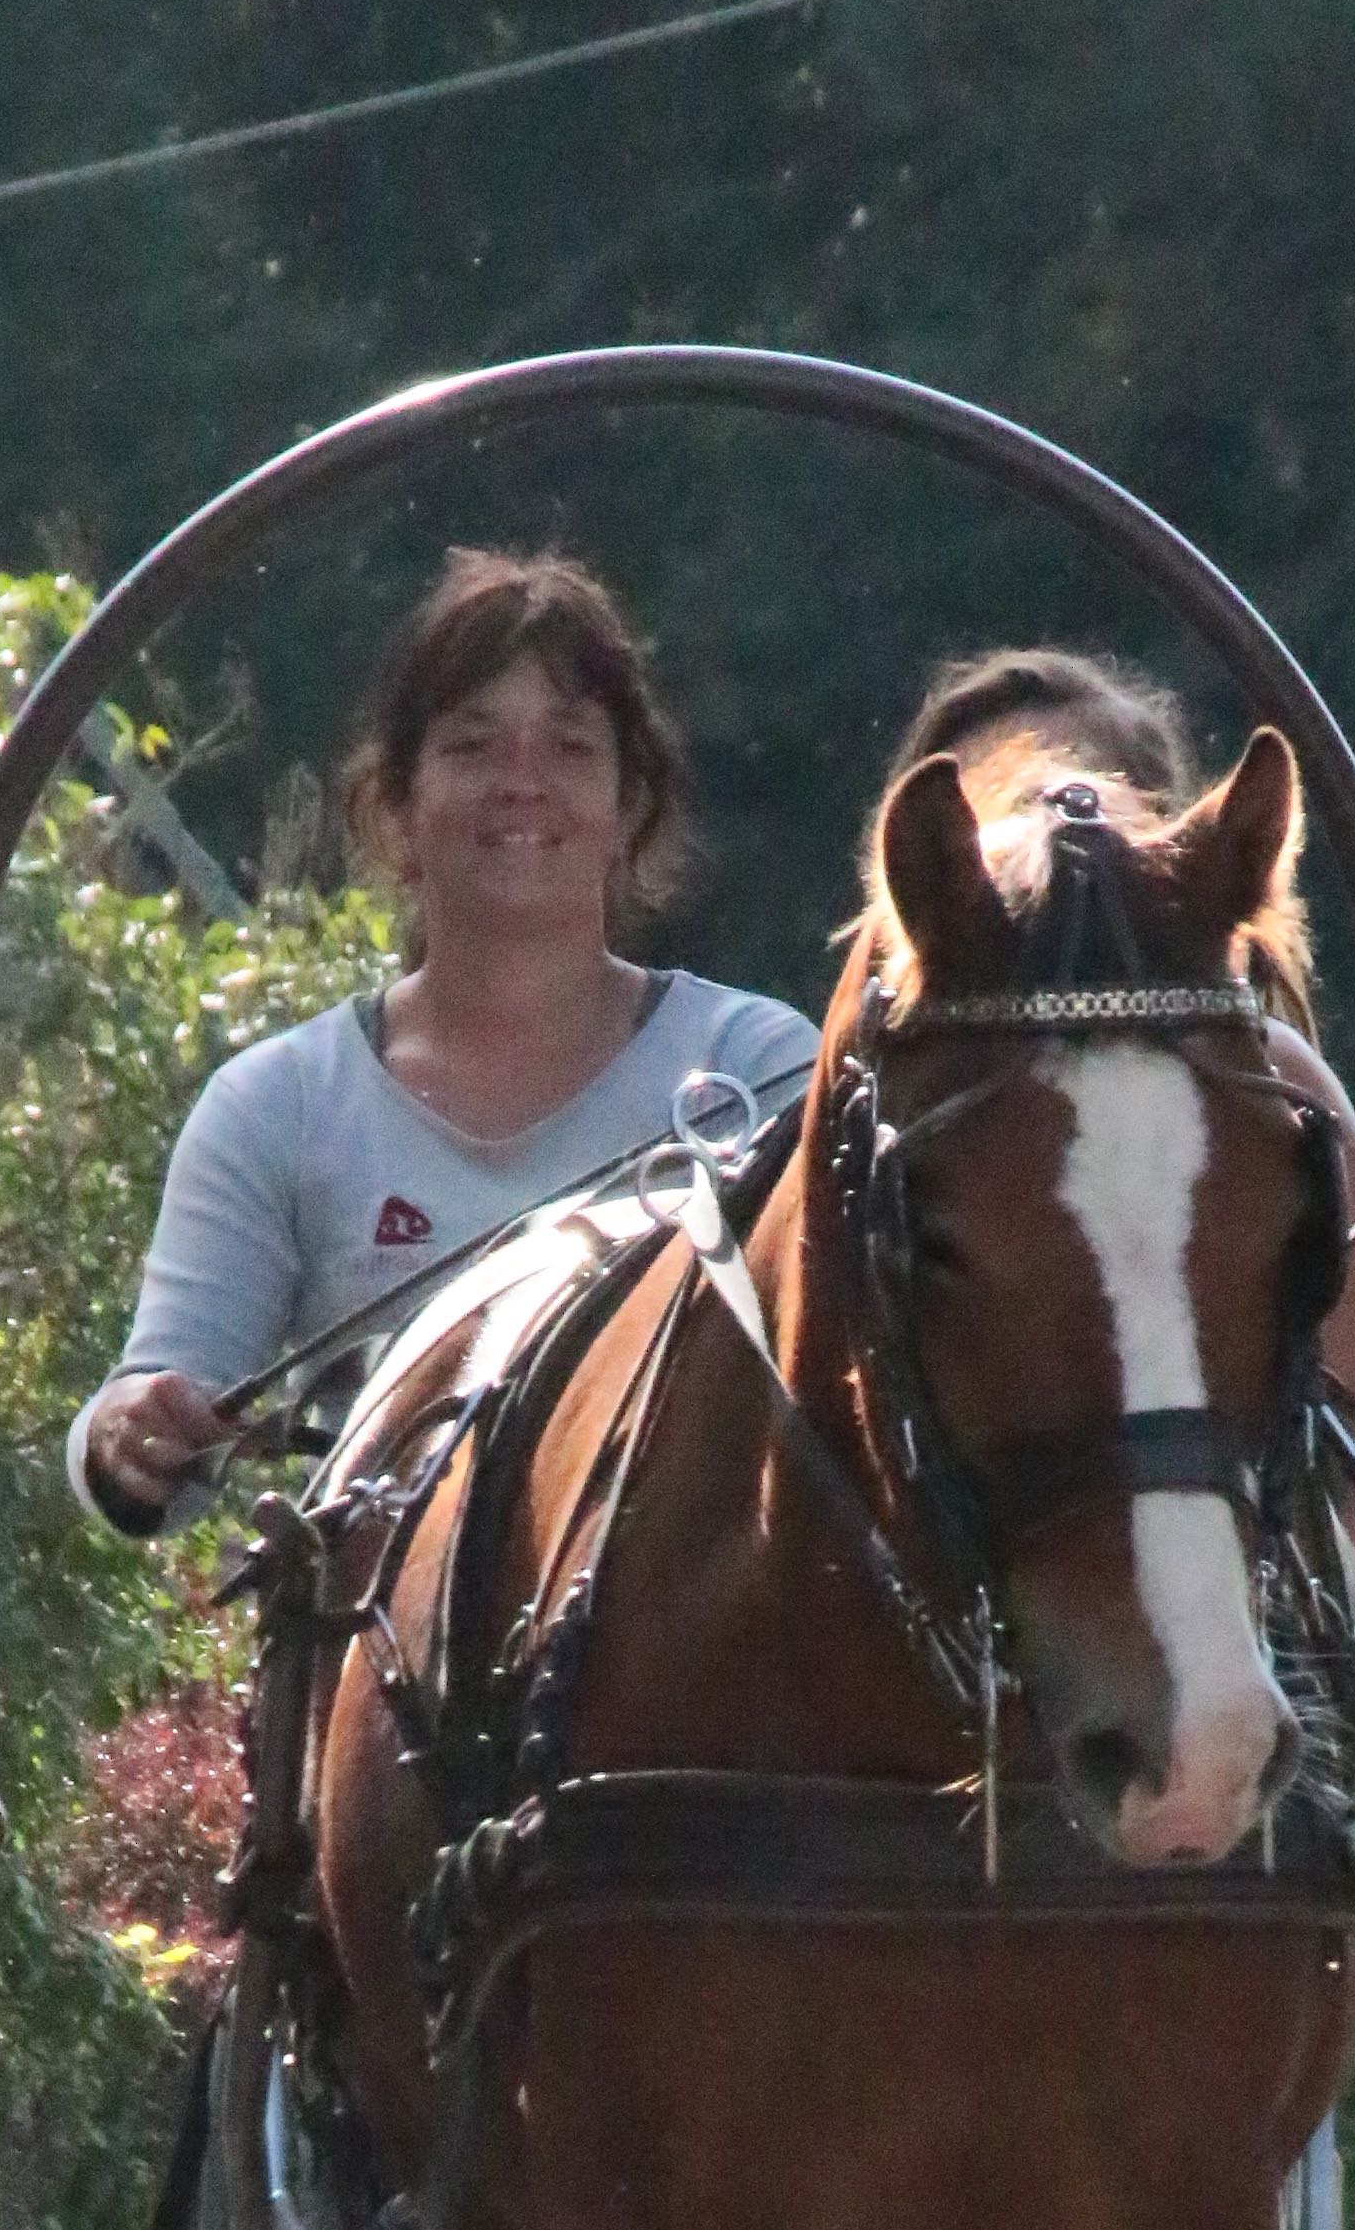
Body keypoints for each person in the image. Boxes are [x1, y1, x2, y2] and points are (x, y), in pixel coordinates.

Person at [70, 549, 820, 1533]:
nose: (522, 784)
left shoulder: (758, 1070)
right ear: (396, 808)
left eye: (570, 747)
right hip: (375, 1623)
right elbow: (155, 1424)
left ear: (628, 808)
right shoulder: (280, 1106)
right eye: (474, 746)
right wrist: (133, 1435)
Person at [875, 643, 1355, 1402]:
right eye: (1009, 813)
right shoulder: (865, 1116)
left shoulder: (1288, 1091)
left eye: (1096, 801)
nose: (1057, 840)